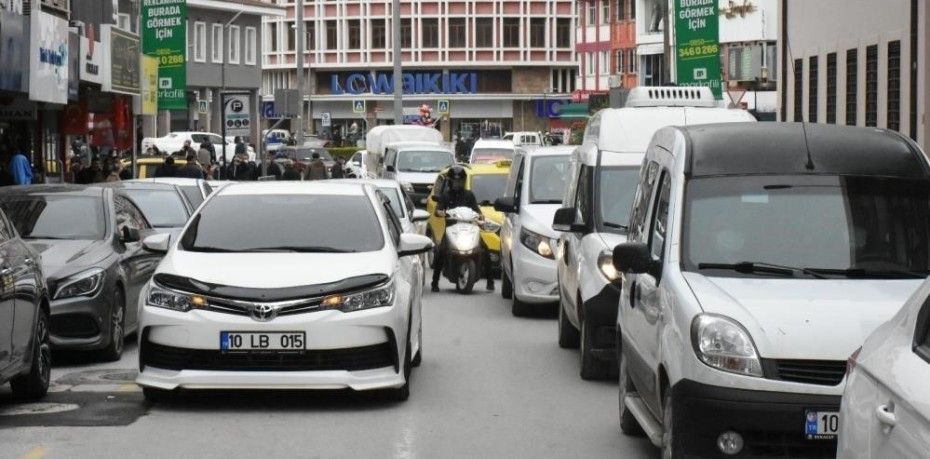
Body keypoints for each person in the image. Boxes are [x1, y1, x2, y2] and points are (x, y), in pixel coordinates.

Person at [430, 166, 494, 292]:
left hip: (469, 229)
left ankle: (490, 280)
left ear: (464, 182)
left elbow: (477, 210)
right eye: (455, 181)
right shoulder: (446, 196)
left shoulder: (469, 195)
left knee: (485, 249)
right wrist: (441, 213)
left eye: (459, 182)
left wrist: (480, 216)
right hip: (452, 230)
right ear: (450, 182)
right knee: (441, 250)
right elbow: (438, 209)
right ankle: (434, 281)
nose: (457, 184)